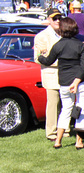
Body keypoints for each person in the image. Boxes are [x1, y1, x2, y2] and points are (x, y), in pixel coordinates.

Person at [36, 17, 84, 150]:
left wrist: (39, 56)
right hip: (81, 81)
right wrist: (77, 80)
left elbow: (48, 61)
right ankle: (79, 141)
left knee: (65, 109)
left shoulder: (58, 45)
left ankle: (58, 141)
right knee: (81, 109)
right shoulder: (81, 45)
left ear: (61, 30)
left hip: (65, 82)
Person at [33, 10, 63, 145]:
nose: (57, 20)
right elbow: (37, 58)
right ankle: (51, 132)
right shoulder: (41, 36)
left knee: (66, 104)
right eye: (54, 18)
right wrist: (57, 61)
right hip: (51, 75)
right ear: (49, 20)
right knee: (53, 104)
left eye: (59, 18)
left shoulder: (64, 33)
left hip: (66, 75)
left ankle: (65, 129)